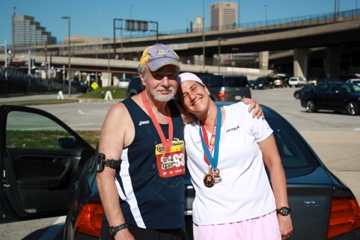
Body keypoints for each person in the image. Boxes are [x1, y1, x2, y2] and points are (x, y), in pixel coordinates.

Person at [95, 43, 263, 240]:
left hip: (174, 224)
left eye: (172, 75)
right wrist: (119, 229)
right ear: (142, 77)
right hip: (134, 226)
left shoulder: (178, 112)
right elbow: (104, 175)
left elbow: (209, 110)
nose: (166, 82)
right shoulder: (122, 114)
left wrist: (242, 107)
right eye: (158, 75)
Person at [177, 72, 293, 240]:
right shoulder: (186, 130)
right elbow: (155, 112)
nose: (192, 96)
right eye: (184, 96)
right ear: (182, 105)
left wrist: (283, 212)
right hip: (213, 224)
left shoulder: (246, 113)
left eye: (194, 88)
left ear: (206, 89)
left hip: (259, 216)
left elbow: (274, 162)